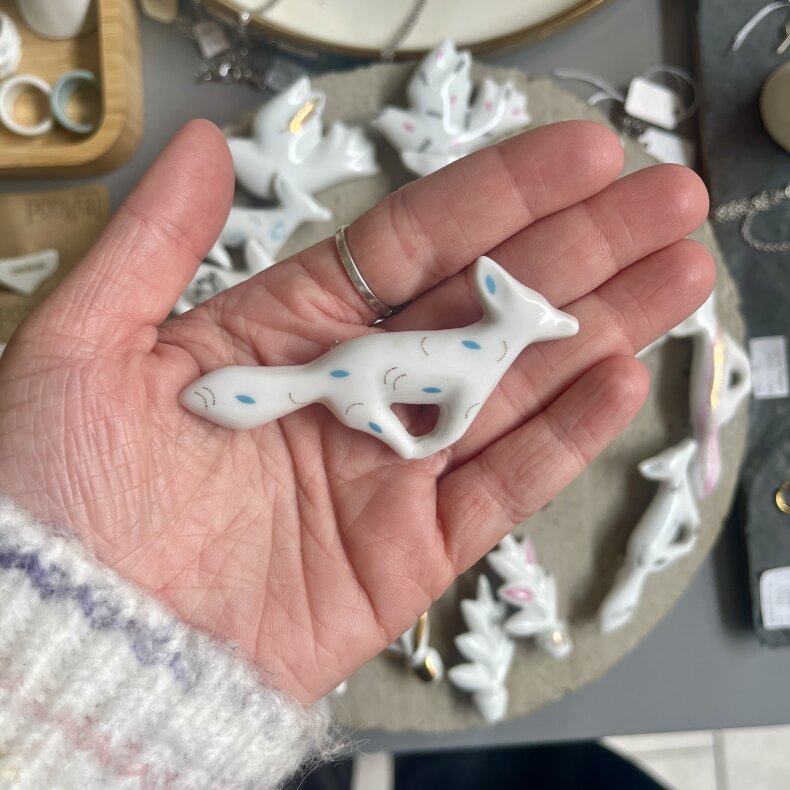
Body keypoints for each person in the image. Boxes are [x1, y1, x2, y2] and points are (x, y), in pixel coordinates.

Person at [0, 119, 713, 788]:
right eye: (541, 318)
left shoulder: (482, 351)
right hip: (358, 385)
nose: (549, 324)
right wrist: (415, 439)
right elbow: (457, 411)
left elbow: (459, 410)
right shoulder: (476, 353)